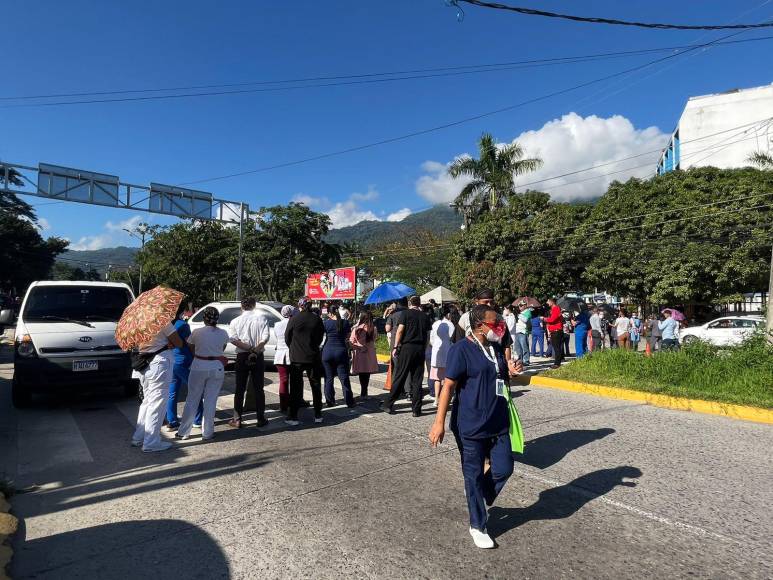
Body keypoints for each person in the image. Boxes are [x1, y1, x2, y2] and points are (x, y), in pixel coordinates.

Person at [428, 304, 523, 549]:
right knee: (472, 475)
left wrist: (511, 371)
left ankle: (478, 495)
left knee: (504, 467)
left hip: (498, 421)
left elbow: (499, 376)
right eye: (495, 324)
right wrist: (439, 423)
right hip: (470, 423)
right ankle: (478, 524)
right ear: (479, 326)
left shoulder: (496, 348)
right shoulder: (461, 350)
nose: (499, 328)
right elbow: (448, 386)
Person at [176, 307, 229, 441]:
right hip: (217, 366)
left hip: (199, 365)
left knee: (192, 399)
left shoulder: (196, 332)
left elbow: (192, 348)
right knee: (211, 401)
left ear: (204, 318)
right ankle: (208, 433)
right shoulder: (223, 333)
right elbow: (222, 348)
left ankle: (183, 432)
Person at [132, 322, 183, 453]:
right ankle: (151, 442)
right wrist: (168, 343)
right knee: (157, 403)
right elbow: (179, 342)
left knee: (147, 401)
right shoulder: (161, 320)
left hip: (144, 363)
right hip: (159, 363)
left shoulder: (137, 322)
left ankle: (139, 437)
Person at [382, 295, 431, 417]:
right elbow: (428, 335)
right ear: (419, 304)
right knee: (417, 379)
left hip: (407, 347)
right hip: (419, 348)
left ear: (410, 303)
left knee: (400, 375)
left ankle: (388, 404)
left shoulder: (405, 314)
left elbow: (400, 331)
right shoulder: (425, 317)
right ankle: (416, 409)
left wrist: (395, 346)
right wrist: (423, 348)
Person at [228, 297, 270, 429]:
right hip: (258, 355)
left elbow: (233, 340)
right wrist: (255, 351)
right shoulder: (262, 319)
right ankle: (260, 418)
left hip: (242, 355)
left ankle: (237, 418)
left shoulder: (235, 321)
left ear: (242, 307)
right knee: (258, 388)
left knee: (239, 388)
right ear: (254, 306)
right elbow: (265, 337)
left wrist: (248, 348)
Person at [285, 297, 325, 425]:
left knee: (295, 388)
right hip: (313, 356)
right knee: (316, 386)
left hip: (297, 357)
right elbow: (320, 338)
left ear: (300, 305)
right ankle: (318, 414)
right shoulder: (317, 319)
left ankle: (293, 417)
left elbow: (287, 337)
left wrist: (294, 347)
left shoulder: (294, 319)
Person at [165, 305, 202, 432]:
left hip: (172, 360)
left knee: (172, 391)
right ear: (180, 311)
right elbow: (189, 343)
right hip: (184, 360)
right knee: (195, 389)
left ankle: (172, 420)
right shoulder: (183, 325)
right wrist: (196, 356)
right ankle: (197, 419)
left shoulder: (167, 325)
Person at [322, 304, 355, 408]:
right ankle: (349, 401)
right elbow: (348, 336)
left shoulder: (326, 323)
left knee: (328, 378)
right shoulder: (345, 323)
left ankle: (330, 401)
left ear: (330, 313)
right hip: (341, 351)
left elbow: (323, 337)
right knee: (344, 377)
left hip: (327, 352)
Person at [429, 304, 457, 406]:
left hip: (436, 353)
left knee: (437, 378)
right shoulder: (450, 325)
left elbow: (431, 339)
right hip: (447, 353)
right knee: (446, 378)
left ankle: (436, 399)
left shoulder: (435, 324)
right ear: (448, 314)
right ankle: (445, 399)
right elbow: (453, 339)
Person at [350, 310, 379, 400]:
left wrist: (358, 347)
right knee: (367, 373)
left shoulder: (357, 328)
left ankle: (363, 393)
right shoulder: (373, 328)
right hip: (370, 353)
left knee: (361, 373)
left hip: (360, 353)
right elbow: (375, 338)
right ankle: (365, 392)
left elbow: (351, 341)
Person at [273, 305, 294, 413]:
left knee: (283, 381)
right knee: (295, 381)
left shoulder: (277, 325)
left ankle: (283, 405)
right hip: (293, 355)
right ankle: (294, 402)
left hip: (280, 354)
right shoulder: (294, 323)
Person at [543, 297, 564, 369]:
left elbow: (552, 320)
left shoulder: (556, 308)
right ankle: (557, 362)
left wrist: (544, 319)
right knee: (556, 347)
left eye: (548, 301)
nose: (547, 303)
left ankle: (557, 363)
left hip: (556, 331)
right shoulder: (553, 309)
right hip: (554, 331)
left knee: (557, 348)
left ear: (552, 302)